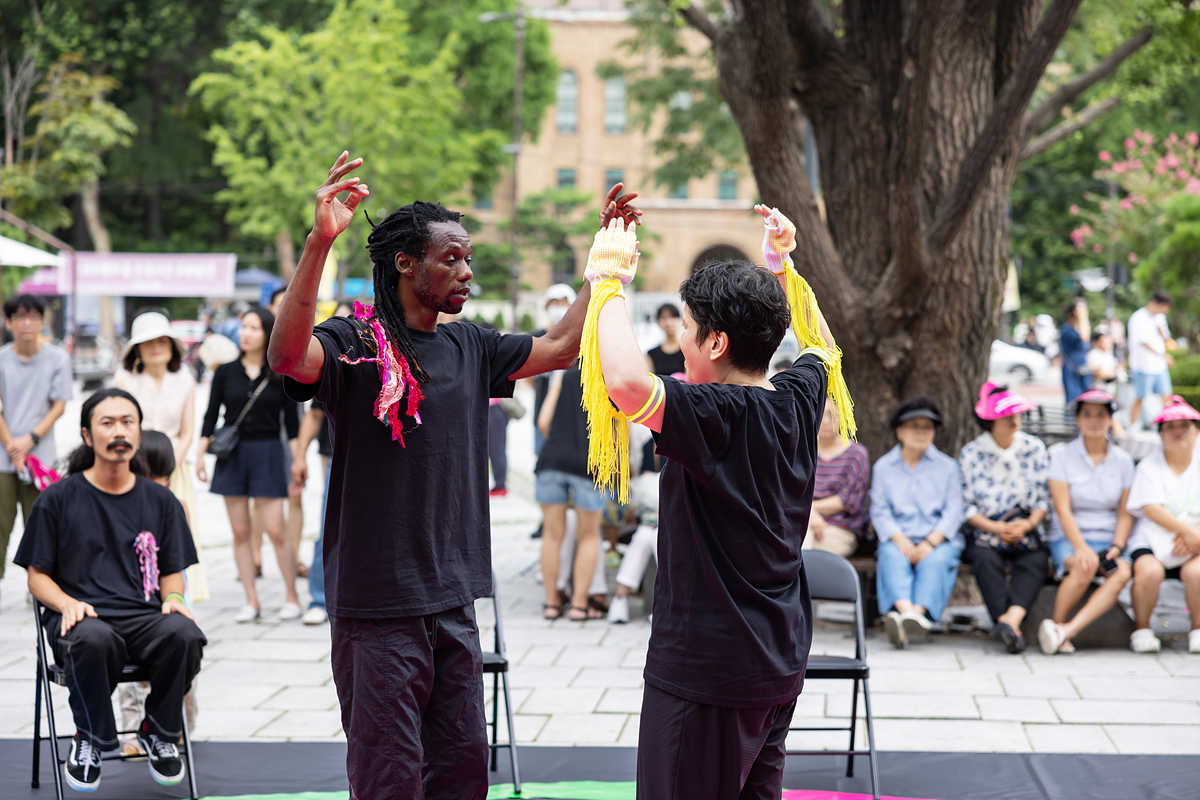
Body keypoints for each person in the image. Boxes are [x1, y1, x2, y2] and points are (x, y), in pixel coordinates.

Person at [267, 154, 639, 799]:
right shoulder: (354, 342)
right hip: (377, 606)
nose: (466, 272)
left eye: (468, 260)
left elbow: (558, 347)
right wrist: (320, 242)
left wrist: (602, 270)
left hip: (453, 598)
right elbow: (288, 357)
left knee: (463, 773)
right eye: (451, 259)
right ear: (405, 263)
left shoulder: (470, 344)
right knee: (389, 781)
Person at [591, 204, 842, 799]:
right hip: (776, 662)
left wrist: (609, 281)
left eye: (688, 324)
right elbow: (825, 349)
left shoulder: (713, 412)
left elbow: (625, 384)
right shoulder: (796, 398)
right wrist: (783, 268)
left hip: (707, 671)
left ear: (717, 340)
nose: (679, 334)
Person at [13, 389, 204, 792]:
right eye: (107, 423)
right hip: (84, 619)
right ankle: (92, 738)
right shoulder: (56, 500)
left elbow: (173, 571)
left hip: (144, 620)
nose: (119, 432)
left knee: (185, 634)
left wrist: (173, 599)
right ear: (87, 435)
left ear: (138, 431)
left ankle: (159, 731)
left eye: (127, 422)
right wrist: (66, 603)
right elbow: (36, 576)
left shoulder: (162, 501)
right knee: (92, 640)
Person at [197, 306, 301, 623]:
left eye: (254, 328)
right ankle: (251, 600)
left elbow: (293, 423)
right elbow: (211, 416)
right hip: (233, 455)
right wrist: (200, 455)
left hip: (269, 452)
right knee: (240, 532)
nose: (246, 333)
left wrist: (297, 460)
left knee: (275, 529)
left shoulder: (280, 372)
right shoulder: (225, 372)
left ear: (268, 333)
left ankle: (291, 596)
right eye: (243, 327)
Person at [114, 311, 207, 602]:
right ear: (137, 349)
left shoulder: (185, 380)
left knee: (178, 528)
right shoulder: (124, 379)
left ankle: (180, 596)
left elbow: (188, 430)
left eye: (162, 341)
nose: (156, 347)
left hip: (174, 466)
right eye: (148, 342)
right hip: (132, 465)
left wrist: (168, 465)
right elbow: (120, 424)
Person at [1039, 389, 1134, 655]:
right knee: (1085, 564)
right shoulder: (1061, 455)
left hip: (1107, 537)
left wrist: (1117, 545)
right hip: (1069, 536)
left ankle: (1064, 631)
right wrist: (1080, 546)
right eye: (1088, 415)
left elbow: (1125, 512)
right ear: (1078, 420)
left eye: (1101, 415)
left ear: (1110, 419)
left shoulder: (1123, 461)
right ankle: (1057, 622)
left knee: (1122, 572)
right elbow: (1062, 508)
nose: (1094, 421)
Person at [959, 382, 1050, 653]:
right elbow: (967, 506)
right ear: (990, 420)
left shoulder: (1034, 448)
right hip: (987, 527)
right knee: (984, 558)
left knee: (1035, 559)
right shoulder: (972, 453)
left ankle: (1011, 620)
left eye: (1016, 415)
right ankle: (1006, 621)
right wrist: (996, 527)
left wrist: (1028, 524)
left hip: (1025, 525)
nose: (1013, 420)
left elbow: (1044, 498)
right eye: (1006, 416)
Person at [870, 397, 964, 649]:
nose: (921, 432)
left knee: (936, 560)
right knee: (891, 555)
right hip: (899, 536)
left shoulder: (948, 467)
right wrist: (899, 539)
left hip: (938, 539)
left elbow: (955, 510)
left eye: (927, 427)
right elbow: (879, 510)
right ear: (900, 431)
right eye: (914, 426)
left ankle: (911, 616)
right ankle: (909, 613)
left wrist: (930, 542)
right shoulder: (883, 467)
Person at [0, 294, 71, 609]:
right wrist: (11, 445)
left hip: (41, 458)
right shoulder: (1, 358)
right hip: (3, 458)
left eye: (32, 317)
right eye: (19, 317)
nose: (26, 323)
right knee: (0, 523)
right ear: (9, 322)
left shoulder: (57, 359)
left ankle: (40, 586)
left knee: (42, 523)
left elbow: (59, 405)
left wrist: (30, 439)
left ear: (42, 322)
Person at [1123, 395, 1200, 654]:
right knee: (1148, 572)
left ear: (1196, 430)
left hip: (1196, 541)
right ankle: (1142, 628)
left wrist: (1195, 536)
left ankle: (1197, 629)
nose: (1178, 433)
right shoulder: (1149, 466)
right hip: (1153, 538)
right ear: (1161, 433)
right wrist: (1187, 532)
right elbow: (1150, 507)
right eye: (1170, 427)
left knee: (1196, 573)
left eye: (1185, 426)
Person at [536, 363, 609, 620]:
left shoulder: (563, 377)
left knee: (552, 535)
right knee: (589, 536)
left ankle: (551, 603)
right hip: (590, 465)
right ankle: (579, 605)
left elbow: (543, 422)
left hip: (552, 461)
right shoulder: (608, 377)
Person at [267, 287, 308, 581]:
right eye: (280, 305)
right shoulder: (259, 344)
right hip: (265, 432)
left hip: (293, 424)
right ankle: (257, 556)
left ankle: (293, 558)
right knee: (263, 501)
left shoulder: (305, 336)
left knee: (294, 497)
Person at [805, 402, 870, 557]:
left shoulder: (856, 454)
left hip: (839, 528)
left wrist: (809, 511)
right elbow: (790, 494)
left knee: (806, 553)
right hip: (803, 522)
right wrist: (810, 516)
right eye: (822, 413)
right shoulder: (804, 450)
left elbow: (846, 501)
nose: (826, 420)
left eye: (832, 414)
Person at [1127, 291, 1175, 428]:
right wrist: (1162, 355)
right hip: (1143, 365)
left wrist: (1164, 336)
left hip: (1159, 366)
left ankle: (1169, 425)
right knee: (1140, 397)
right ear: (1155, 303)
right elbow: (1143, 342)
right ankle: (1132, 427)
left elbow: (1166, 337)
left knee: (1166, 397)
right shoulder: (1138, 318)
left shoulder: (1160, 318)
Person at [1059, 298, 1091, 404]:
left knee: (1086, 400)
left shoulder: (1080, 327)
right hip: (1072, 370)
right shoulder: (1066, 329)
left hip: (1083, 368)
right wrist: (1083, 318)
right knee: (1073, 401)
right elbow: (1084, 337)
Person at [645, 302, 684, 376]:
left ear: (680, 319)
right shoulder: (652, 354)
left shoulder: (687, 351)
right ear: (658, 321)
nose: (668, 323)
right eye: (664, 318)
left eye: (672, 317)